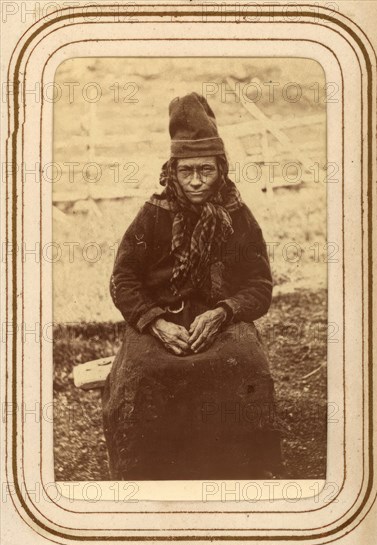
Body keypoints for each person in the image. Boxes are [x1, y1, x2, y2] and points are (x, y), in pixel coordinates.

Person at [102, 92, 282, 480]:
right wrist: (154, 322)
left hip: (221, 317)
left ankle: (243, 468)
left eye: (206, 170)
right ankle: (146, 473)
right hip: (160, 318)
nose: (197, 181)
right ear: (173, 171)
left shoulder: (239, 217)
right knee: (145, 371)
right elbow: (123, 279)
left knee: (245, 363)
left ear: (222, 169)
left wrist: (223, 312)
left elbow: (259, 285)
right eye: (187, 172)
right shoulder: (153, 215)